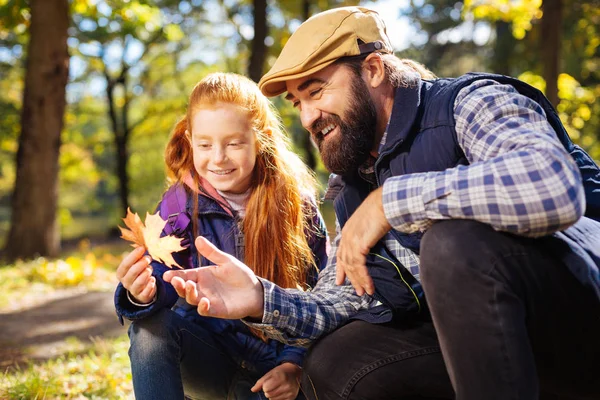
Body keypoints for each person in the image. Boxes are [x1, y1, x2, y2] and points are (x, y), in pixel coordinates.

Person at [164, 6, 600, 400]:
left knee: (452, 243)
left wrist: (391, 202)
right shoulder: (353, 185)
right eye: (298, 103)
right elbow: (344, 300)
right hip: (488, 355)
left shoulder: (470, 103)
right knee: (336, 360)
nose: (308, 117)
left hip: (577, 324)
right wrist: (260, 297)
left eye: (316, 92)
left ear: (372, 69)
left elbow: (552, 183)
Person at [114, 72, 328, 400]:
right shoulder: (177, 205)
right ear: (189, 139)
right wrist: (141, 293)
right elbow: (160, 279)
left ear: (261, 139)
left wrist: (294, 364)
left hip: (278, 373)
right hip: (211, 359)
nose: (218, 158)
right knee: (149, 331)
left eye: (233, 143)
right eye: (204, 144)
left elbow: (321, 293)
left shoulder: (297, 203)